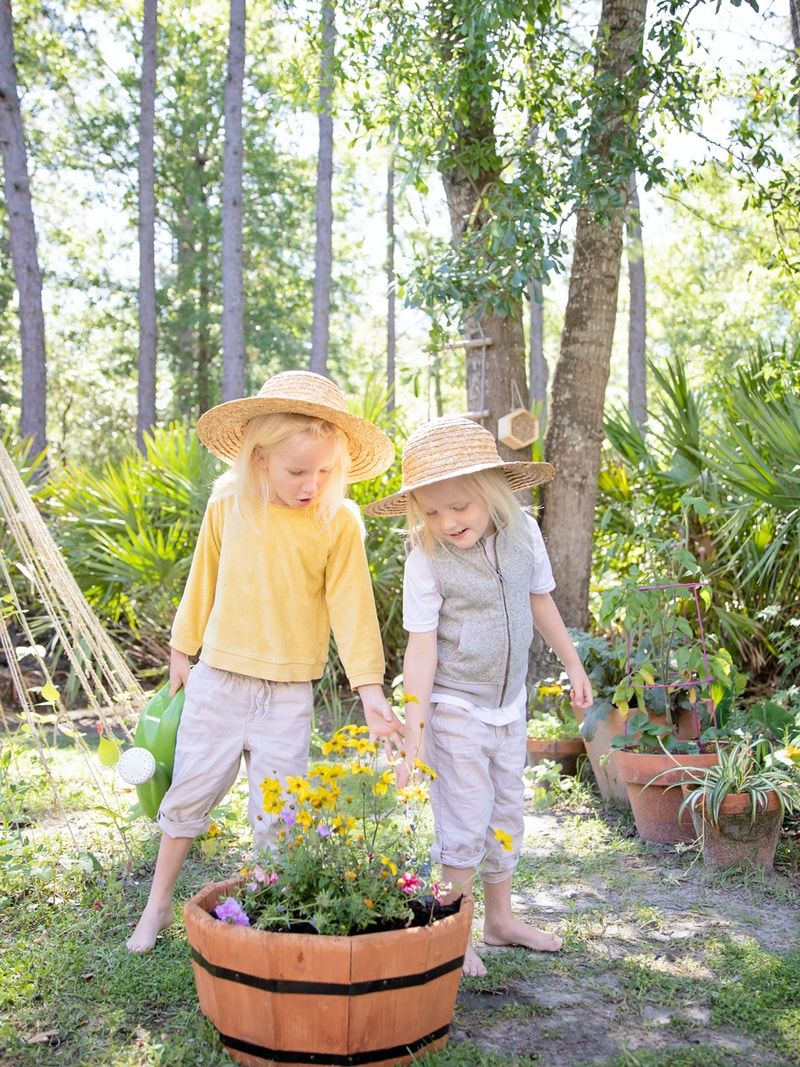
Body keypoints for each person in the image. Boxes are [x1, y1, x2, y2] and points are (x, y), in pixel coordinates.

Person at [127, 371, 403, 953]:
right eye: (296, 472)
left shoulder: (338, 521)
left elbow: (352, 609)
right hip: (219, 680)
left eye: (324, 472)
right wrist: (182, 650)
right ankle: (155, 909)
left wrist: (370, 691)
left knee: (279, 819)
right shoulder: (229, 503)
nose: (311, 484)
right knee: (187, 799)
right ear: (258, 461)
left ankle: (271, 922)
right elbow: (202, 577)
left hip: (288, 694)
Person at [364, 416, 593, 977]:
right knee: (464, 817)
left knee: (506, 812)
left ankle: (500, 920)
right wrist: (414, 735)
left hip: (509, 705)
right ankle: (454, 929)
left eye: (460, 506)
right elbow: (420, 651)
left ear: (492, 491)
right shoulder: (427, 558)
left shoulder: (525, 535)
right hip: (454, 705)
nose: (447, 522)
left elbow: (541, 602)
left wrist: (573, 662)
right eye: (433, 511)